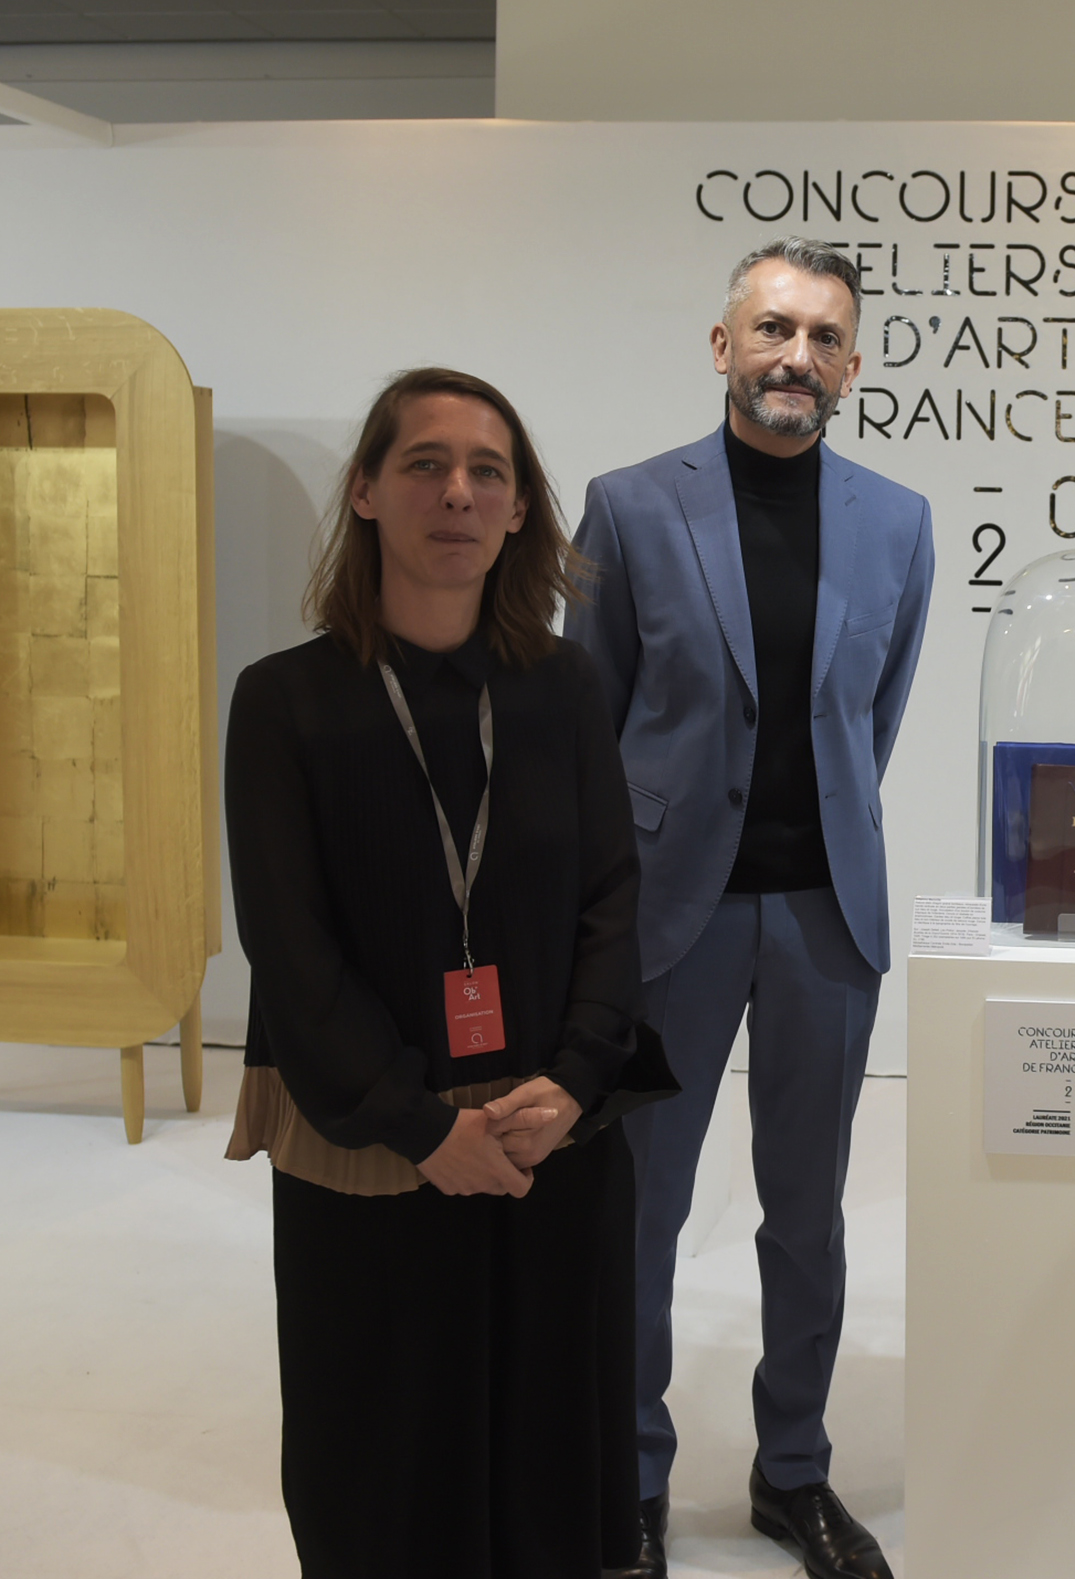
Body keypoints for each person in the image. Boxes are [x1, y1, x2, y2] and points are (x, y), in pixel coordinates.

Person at [223, 367, 675, 1577]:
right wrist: (422, 1127)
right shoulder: (283, 702)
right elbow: (290, 947)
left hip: (547, 1138)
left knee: (548, 1455)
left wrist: (574, 1080)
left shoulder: (565, 688)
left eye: (489, 471)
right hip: (375, 1147)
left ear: (521, 509)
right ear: (366, 491)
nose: (458, 493)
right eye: (425, 463)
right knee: (382, 1460)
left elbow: (611, 899)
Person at [568, 238, 934, 1579]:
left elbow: (873, 717)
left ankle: (793, 1472)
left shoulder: (899, 521)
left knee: (807, 1214)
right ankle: (630, 1476)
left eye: (824, 336)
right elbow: (585, 718)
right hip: (669, 915)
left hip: (824, 916)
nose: (797, 355)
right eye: (774, 327)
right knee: (640, 1212)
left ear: (854, 364)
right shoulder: (626, 508)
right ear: (723, 344)